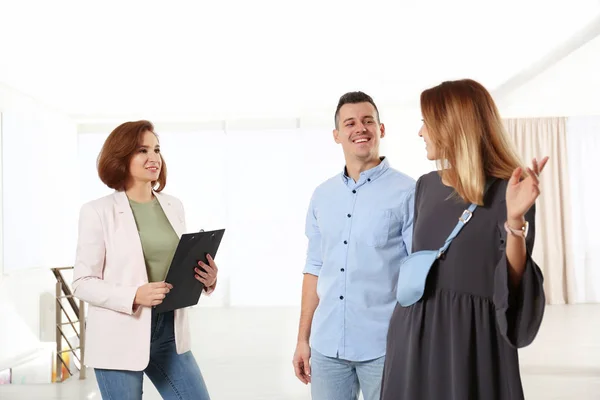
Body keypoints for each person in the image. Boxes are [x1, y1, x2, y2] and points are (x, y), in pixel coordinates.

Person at [380, 79, 548, 400]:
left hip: (472, 341)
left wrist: (515, 221)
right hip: (414, 335)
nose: (421, 133)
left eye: (426, 123)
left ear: (452, 126)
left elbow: (512, 281)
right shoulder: (426, 186)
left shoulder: (508, 190)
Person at [72, 120, 218, 400]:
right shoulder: (97, 212)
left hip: (170, 332)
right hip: (119, 334)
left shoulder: (173, 205)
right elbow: (82, 283)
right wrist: (134, 295)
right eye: (142, 150)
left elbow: (175, 265)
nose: (154, 158)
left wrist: (207, 279)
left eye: (157, 149)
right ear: (121, 157)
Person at [292, 91, 416, 400]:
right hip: (327, 345)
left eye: (367, 121)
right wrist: (302, 339)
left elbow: (417, 274)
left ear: (381, 129)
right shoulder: (322, 196)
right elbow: (314, 268)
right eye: (350, 123)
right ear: (337, 135)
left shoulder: (409, 192)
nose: (359, 128)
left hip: (385, 346)